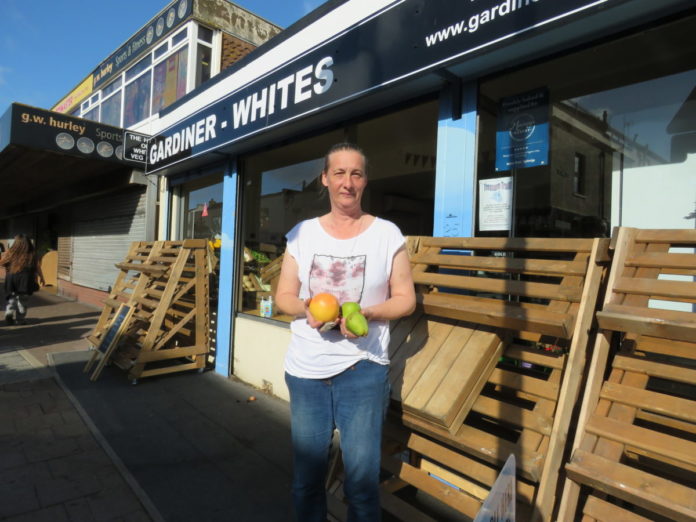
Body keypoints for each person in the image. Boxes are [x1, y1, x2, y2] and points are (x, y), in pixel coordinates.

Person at [275, 143, 416, 521]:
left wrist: (368, 313)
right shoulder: (302, 234)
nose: (347, 182)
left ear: (365, 181)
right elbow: (283, 297)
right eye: (339, 173)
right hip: (306, 372)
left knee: (362, 484)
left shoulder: (387, 234)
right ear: (325, 179)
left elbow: (406, 299)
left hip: (363, 370)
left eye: (356, 174)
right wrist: (307, 308)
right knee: (307, 481)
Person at [1, 234, 45, 325]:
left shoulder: (10, 252)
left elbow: (2, 263)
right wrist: (42, 278)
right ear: (28, 243)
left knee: (11, 297)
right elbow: (37, 267)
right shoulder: (32, 254)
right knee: (22, 300)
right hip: (25, 280)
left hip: (11, 279)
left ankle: (9, 311)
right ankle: (20, 320)